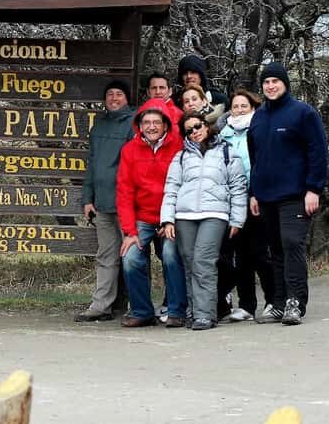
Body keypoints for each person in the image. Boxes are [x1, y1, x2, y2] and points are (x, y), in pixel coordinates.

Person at [248, 63, 328, 325]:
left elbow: (317, 152)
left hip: (296, 194)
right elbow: (255, 158)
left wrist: (314, 188)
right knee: (275, 250)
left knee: (292, 243)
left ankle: (296, 301)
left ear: (285, 83)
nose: (270, 86)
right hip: (266, 196)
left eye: (275, 81)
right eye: (266, 82)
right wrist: (254, 194)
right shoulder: (258, 117)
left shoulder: (303, 113)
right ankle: (279, 303)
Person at [161, 111, 248, 330]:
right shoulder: (181, 157)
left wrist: (237, 219)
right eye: (189, 130)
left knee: (203, 260)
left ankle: (206, 314)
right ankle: (193, 311)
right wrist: (167, 220)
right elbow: (171, 190)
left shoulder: (227, 151)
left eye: (197, 126)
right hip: (185, 216)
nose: (195, 132)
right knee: (189, 262)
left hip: (215, 214)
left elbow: (238, 187)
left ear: (206, 126)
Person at [116, 99, 187, 328]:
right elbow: (124, 192)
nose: (152, 126)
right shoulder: (130, 150)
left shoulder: (180, 146)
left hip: (172, 217)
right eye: (146, 122)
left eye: (157, 122)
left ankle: (177, 311)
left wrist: (173, 219)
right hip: (143, 217)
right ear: (139, 124)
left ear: (166, 124)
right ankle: (142, 311)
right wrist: (129, 231)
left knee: (170, 255)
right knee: (130, 258)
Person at [75, 79, 135, 322]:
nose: (113, 98)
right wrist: (87, 198)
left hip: (126, 202)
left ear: (127, 98)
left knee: (133, 257)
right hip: (101, 203)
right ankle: (101, 305)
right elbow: (91, 164)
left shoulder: (134, 123)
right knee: (106, 255)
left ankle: (137, 306)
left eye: (119, 94)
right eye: (109, 94)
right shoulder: (98, 126)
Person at [219, 88, 275, 321]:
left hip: (257, 197)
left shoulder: (261, 129)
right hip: (233, 199)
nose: (239, 110)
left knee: (260, 253)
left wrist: (258, 192)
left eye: (244, 106)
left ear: (253, 108)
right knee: (240, 255)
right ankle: (247, 305)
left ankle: (273, 300)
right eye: (235, 106)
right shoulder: (223, 134)